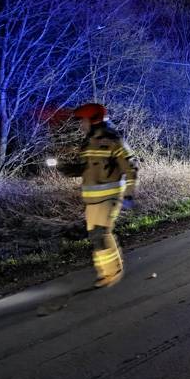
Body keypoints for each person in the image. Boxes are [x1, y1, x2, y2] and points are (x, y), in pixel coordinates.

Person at [57, 103, 137, 288]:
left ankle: (112, 272)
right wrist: (70, 170)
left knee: (101, 233)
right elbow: (89, 167)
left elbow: (131, 165)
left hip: (110, 196)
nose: (81, 125)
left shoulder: (112, 139)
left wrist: (129, 194)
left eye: (83, 121)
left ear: (93, 120)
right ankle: (106, 272)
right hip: (93, 199)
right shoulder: (89, 141)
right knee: (95, 235)